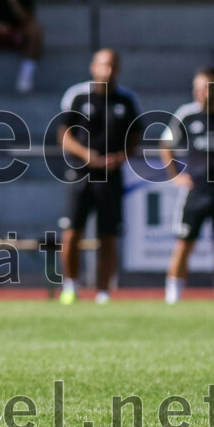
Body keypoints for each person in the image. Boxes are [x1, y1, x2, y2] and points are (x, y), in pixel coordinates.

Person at [57, 48, 140, 305]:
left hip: (111, 177)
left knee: (108, 236)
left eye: (113, 65)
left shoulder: (126, 99)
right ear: (93, 67)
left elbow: (135, 136)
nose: (109, 70)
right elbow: (63, 135)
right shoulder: (78, 96)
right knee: (72, 233)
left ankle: (103, 292)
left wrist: (121, 157)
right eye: (104, 65)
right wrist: (86, 155)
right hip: (79, 174)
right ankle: (70, 286)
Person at [161, 66, 214, 304]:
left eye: (205, 88)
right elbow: (165, 144)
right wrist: (175, 175)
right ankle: (173, 296)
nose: (200, 94)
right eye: (196, 89)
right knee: (184, 244)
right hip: (196, 192)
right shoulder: (188, 114)